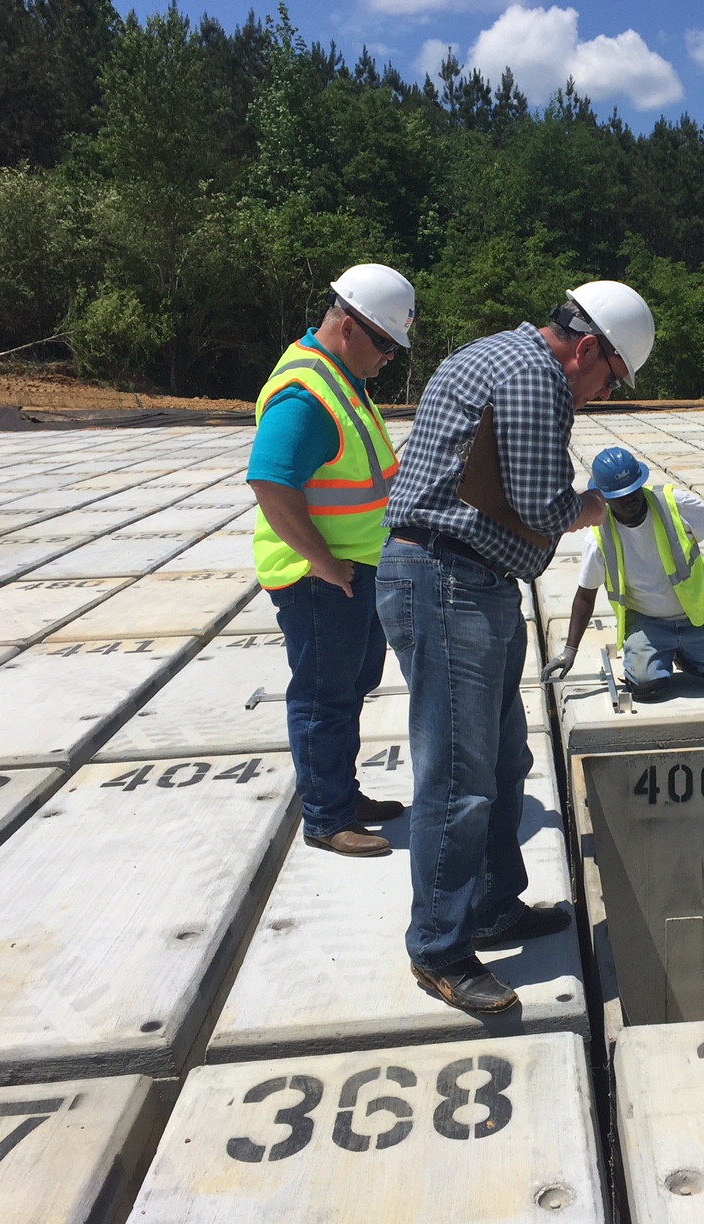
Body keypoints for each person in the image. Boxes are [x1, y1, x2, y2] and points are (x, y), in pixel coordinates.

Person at [379, 280, 655, 1014]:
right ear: (588, 348)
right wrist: (592, 507)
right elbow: (540, 505)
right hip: (448, 580)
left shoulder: (499, 356)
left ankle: (496, 903)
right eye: (609, 379)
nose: (600, 396)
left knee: (502, 760)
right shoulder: (537, 377)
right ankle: (439, 948)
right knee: (459, 777)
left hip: (461, 577)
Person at [247, 263, 415, 857]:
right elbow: (270, 483)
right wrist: (321, 562)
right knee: (323, 696)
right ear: (348, 326)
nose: (389, 358)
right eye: (386, 344)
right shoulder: (306, 395)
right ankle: (324, 818)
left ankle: (341, 793)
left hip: (354, 569)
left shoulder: (341, 379)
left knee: (350, 685)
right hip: (320, 579)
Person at [542, 447, 704, 700]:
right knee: (645, 688)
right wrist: (570, 650)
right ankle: (660, 655)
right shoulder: (599, 539)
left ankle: (686, 654)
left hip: (695, 616)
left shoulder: (674, 505)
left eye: (632, 490)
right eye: (620, 495)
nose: (629, 499)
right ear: (604, 497)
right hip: (648, 623)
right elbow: (585, 596)